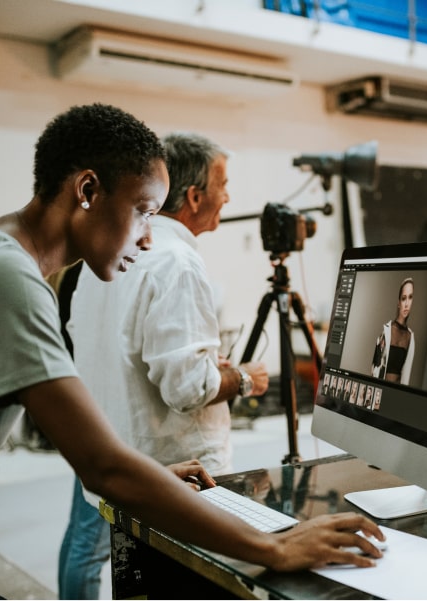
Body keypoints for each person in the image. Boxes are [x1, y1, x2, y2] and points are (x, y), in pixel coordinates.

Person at [0, 103, 383, 599]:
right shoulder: (5, 277)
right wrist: (273, 547)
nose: (149, 236)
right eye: (145, 212)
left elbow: (94, 452)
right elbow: (103, 466)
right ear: (87, 191)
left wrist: (146, 475)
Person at [56, 132, 270, 599]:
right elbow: (187, 388)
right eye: (223, 184)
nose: (228, 195)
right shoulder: (178, 263)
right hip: (170, 471)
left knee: (109, 568)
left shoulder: (102, 257)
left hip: (108, 445)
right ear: (194, 196)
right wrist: (243, 379)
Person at [370, 277, 416, 385]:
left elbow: (406, 377)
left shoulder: (410, 337)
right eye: (404, 298)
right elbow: (374, 369)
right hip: (379, 390)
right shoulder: (386, 330)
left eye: (410, 297)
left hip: (395, 394)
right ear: (399, 302)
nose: (407, 304)